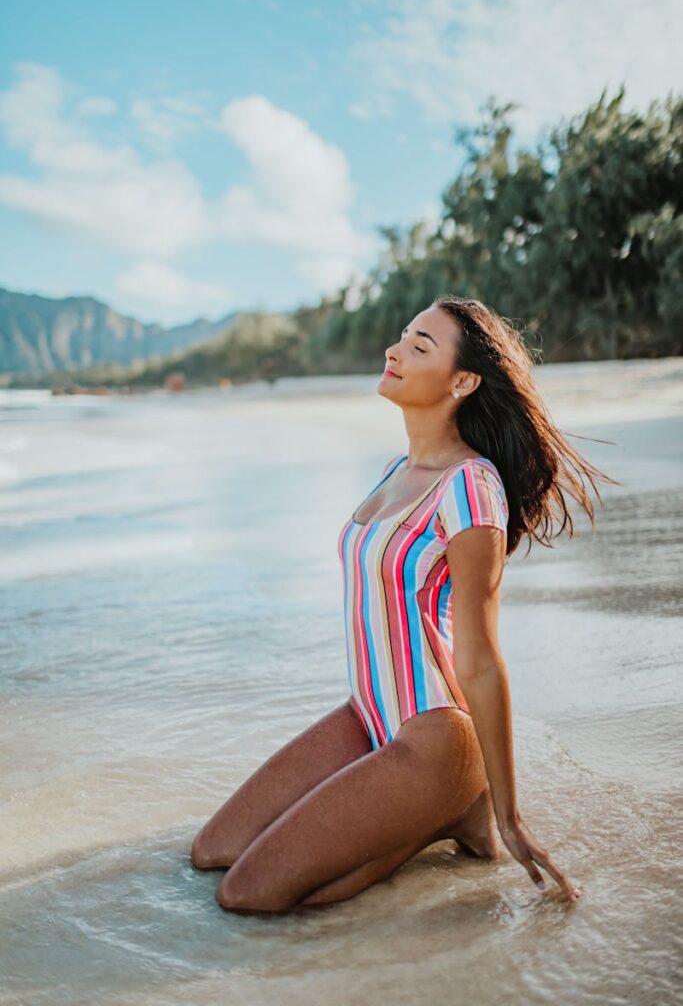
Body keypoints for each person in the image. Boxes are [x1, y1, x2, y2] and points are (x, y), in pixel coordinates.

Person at [191, 294, 617, 915]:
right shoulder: (396, 469)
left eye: (421, 347)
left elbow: (480, 658)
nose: (395, 350)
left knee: (247, 894)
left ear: (464, 380)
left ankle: (453, 808)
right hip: (368, 715)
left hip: (433, 732)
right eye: (402, 337)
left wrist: (511, 811)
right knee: (212, 851)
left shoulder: (471, 488)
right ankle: (443, 812)